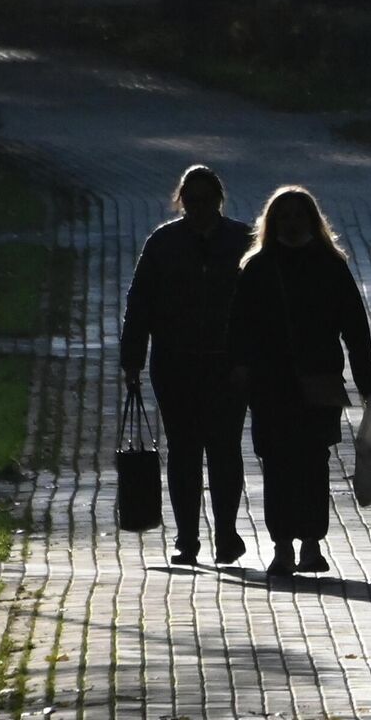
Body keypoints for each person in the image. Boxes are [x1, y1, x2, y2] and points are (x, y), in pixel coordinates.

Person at [227, 186, 371, 577]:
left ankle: (310, 542)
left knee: (313, 464)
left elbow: (354, 326)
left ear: (312, 221)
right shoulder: (257, 268)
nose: (292, 223)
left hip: (319, 379)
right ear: (272, 222)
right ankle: (282, 546)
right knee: (277, 463)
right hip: (270, 382)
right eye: (285, 216)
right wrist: (240, 368)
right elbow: (239, 325)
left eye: (299, 216)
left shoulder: (330, 265)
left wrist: (365, 380)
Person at [119, 165, 254, 566]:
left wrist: (250, 359)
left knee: (226, 448)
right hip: (175, 364)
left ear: (218, 200)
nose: (198, 208)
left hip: (227, 365)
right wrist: (132, 359)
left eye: (205, 200)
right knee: (183, 449)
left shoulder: (242, 241)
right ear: (181, 201)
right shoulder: (163, 242)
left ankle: (226, 533)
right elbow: (140, 302)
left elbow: (256, 305)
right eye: (191, 201)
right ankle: (187, 538)